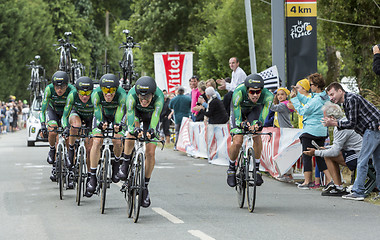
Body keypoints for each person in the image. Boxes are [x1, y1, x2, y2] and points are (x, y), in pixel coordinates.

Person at [323, 82, 380, 201]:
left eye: (332, 94)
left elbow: (352, 123)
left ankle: (358, 191)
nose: (331, 98)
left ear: (340, 91)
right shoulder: (348, 102)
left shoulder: (351, 99)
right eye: (329, 96)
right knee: (377, 162)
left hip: (372, 129)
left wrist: (335, 123)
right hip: (373, 130)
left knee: (362, 160)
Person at [118, 76, 164, 208]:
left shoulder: (159, 97)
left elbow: (156, 116)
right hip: (136, 114)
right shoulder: (131, 95)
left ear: (153, 94)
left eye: (147, 97)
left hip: (151, 117)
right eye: (141, 97)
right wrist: (134, 129)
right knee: (131, 133)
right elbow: (131, 116)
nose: (144, 100)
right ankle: (126, 163)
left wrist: (152, 130)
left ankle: (145, 187)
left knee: (150, 152)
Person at [304, 102, 362, 196]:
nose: (323, 119)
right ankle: (337, 185)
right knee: (327, 153)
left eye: (324, 117)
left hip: (359, 156)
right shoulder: (344, 122)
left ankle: (338, 186)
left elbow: (335, 152)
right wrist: (326, 148)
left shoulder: (340, 128)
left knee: (328, 156)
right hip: (359, 153)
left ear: (332, 118)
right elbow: (338, 146)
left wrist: (316, 152)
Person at [226, 73, 273, 187]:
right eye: (252, 92)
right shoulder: (239, 92)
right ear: (247, 90)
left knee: (257, 135)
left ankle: (256, 169)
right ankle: (231, 168)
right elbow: (237, 118)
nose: (255, 95)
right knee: (237, 141)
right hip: (240, 111)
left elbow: (263, 115)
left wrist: (259, 124)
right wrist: (242, 124)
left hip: (254, 110)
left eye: (258, 92)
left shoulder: (268, 96)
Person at [85, 74, 127, 197]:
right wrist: (100, 123)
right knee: (97, 141)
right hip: (101, 116)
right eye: (106, 90)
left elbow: (120, 111)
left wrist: (117, 125)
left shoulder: (122, 95)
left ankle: (116, 164)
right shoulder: (96, 94)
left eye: (112, 90)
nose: (108, 94)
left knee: (118, 139)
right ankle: (92, 176)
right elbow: (96, 112)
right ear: (101, 89)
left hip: (116, 115)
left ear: (116, 89)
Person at [290, 73, 332, 189]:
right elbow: (308, 101)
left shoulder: (316, 100)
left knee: (306, 155)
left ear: (317, 85)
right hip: (322, 131)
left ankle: (307, 181)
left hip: (311, 130)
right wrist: (298, 95)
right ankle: (329, 180)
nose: (310, 87)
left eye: (311, 84)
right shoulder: (323, 96)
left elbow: (303, 111)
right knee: (319, 156)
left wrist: (294, 99)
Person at [40, 71, 75, 182]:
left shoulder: (72, 90)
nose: (59, 90)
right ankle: (52, 150)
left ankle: (70, 168)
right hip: (53, 111)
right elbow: (43, 110)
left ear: (67, 85)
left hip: (67, 111)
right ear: (53, 86)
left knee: (69, 136)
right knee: (52, 131)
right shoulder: (49, 89)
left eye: (62, 87)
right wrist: (42, 124)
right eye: (57, 87)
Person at [61, 76, 94, 189]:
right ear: (77, 91)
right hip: (77, 114)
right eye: (81, 93)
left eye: (87, 93)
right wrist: (66, 127)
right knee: (75, 125)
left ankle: (90, 175)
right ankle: (71, 150)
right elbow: (65, 115)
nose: (84, 96)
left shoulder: (95, 97)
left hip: (91, 118)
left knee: (90, 149)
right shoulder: (72, 95)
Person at [168, 86, 191, 151]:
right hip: (186, 117)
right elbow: (191, 105)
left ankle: (176, 146)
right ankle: (186, 146)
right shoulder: (188, 98)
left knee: (177, 132)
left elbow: (170, 107)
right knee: (185, 132)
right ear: (183, 91)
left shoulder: (174, 99)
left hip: (177, 118)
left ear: (178, 91)